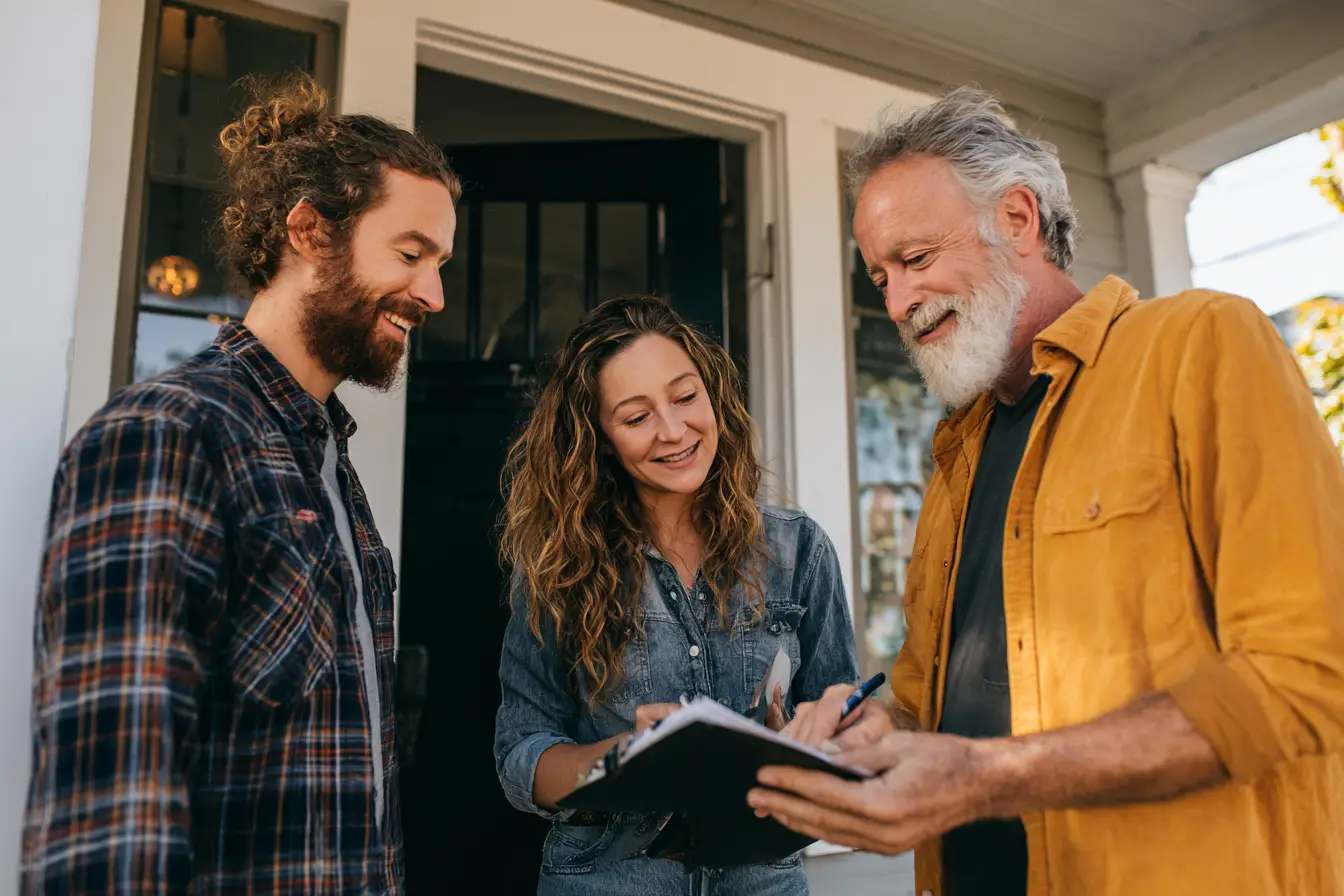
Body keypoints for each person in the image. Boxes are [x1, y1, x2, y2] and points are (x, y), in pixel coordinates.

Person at [747, 87, 1344, 896]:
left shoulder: (1202, 345)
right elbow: (928, 706)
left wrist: (985, 775)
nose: (896, 302)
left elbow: (1309, 671)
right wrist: (864, 732)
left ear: (1019, 220)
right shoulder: (955, 457)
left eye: (916, 260)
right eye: (880, 275)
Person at [21, 74, 459, 894]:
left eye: (439, 263)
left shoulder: (331, 470)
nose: (433, 293)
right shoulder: (168, 434)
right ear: (309, 231)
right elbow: (112, 813)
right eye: (410, 254)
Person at [494, 295, 859, 895]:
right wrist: (627, 755)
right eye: (636, 417)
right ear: (601, 438)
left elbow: (843, 730)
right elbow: (520, 759)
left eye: (686, 397)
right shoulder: (557, 568)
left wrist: (808, 734)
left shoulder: (799, 553)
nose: (674, 430)